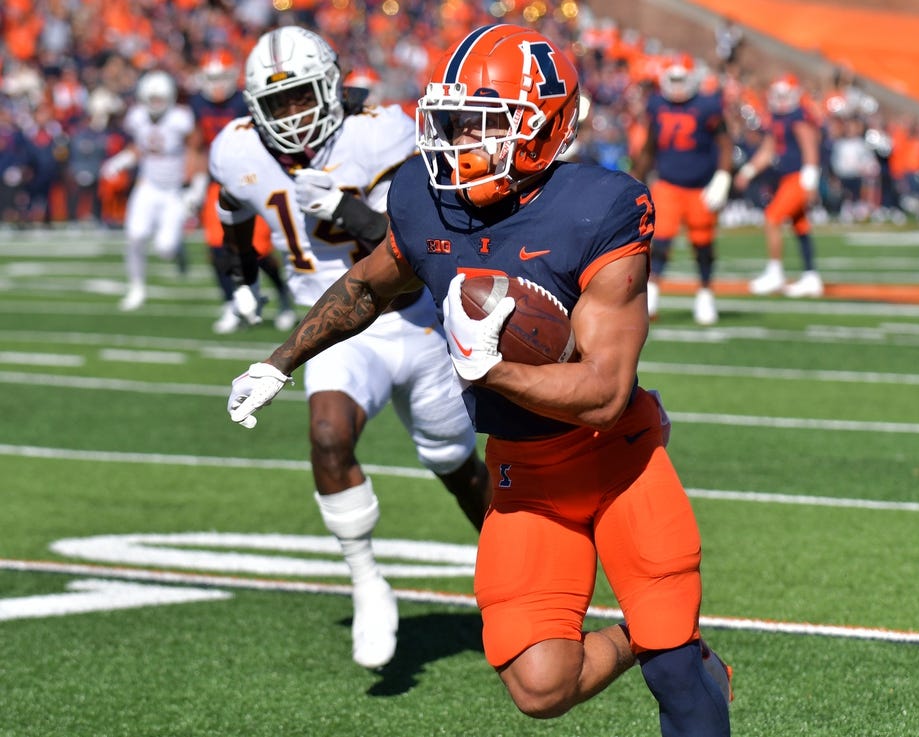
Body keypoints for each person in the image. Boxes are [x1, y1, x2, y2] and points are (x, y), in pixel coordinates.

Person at [225, 23, 733, 736]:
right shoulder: (428, 198)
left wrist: (492, 370)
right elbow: (369, 287)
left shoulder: (601, 208)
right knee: (539, 684)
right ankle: (650, 636)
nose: (462, 143)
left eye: (485, 126)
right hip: (525, 470)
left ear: (544, 127)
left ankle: (674, 648)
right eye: (455, 122)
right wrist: (279, 362)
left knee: (675, 671)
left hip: (618, 458)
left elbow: (605, 392)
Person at [209, 26, 491, 669]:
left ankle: (515, 577)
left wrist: (349, 210)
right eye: (276, 105)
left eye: (302, 97)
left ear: (332, 87)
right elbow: (233, 208)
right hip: (334, 325)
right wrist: (241, 278)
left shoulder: (381, 131)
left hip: (415, 316)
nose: (291, 116)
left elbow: (428, 238)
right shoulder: (236, 149)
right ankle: (366, 580)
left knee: (454, 465)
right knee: (329, 436)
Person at [189, 49, 296, 334]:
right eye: (211, 78)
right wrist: (196, 183)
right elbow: (198, 142)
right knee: (216, 248)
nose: (216, 84)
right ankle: (231, 303)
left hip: (253, 180)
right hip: (219, 182)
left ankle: (284, 298)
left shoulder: (244, 101)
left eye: (221, 77)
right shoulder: (198, 103)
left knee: (258, 250)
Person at [630, 57, 733, 325]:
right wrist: (635, 177)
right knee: (659, 242)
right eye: (672, 79)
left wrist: (723, 176)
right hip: (668, 184)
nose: (676, 86)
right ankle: (651, 294)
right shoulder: (656, 104)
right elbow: (650, 146)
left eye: (680, 80)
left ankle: (705, 295)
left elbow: (725, 144)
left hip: (700, 186)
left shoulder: (707, 106)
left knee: (703, 244)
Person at [100, 70, 200, 311]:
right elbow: (140, 147)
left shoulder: (181, 118)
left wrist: (194, 186)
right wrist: (121, 160)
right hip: (148, 185)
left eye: (160, 99)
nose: (156, 105)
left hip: (173, 190)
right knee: (134, 235)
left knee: (165, 248)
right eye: (152, 99)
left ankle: (177, 251)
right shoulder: (137, 116)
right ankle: (136, 287)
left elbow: (195, 150)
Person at [734, 73, 824, 298]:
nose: (781, 100)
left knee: (772, 218)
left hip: (798, 178)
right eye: (778, 95)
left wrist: (810, 181)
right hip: (787, 177)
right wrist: (748, 171)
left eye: (785, 95)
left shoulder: (798, 116)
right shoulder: (777, 118)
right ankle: (811, 276)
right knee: (800, 226)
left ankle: (775, 273)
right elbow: (768, 151)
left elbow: (810, 147)